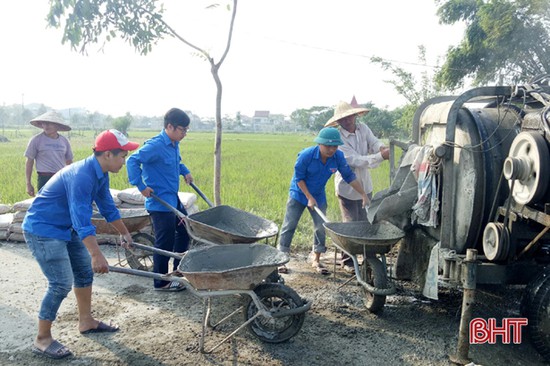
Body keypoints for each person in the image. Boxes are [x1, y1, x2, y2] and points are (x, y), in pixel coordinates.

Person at [22, 129, 139, 360]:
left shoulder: (100, 174)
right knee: (60, 283)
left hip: (65, 227)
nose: (124, 161)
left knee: (84, 273)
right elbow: (81, 219)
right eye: (122, 156)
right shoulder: (82, 175)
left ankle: (86, 321)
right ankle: (42, 338)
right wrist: (96, 254)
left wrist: (124, 233)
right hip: (43, 229)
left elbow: (107, 207)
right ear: (107, 154)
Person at [277, 127, 369, 275]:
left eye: (335, 146)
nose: (331, 150)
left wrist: (363, 194)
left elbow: (349, 176)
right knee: (290, 225)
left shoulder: (338, 157)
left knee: (320, 227)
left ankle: (316, 260)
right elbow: (299, 178)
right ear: (319, 144)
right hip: (299, 193)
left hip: (318, 195)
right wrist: (309, 197)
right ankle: (281, 260)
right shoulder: (306, 156)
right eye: (328, 146)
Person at [126, 107, 192, 292]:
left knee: (186, 231)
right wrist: (140, 186)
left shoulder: (173, 144)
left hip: (173, 200)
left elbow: (176, 162)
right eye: (182, 129)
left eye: (187, 130)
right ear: (170, 126)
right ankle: (161, 282)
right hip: (159, 203)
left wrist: (185, 171)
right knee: (164, 242)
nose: (185, 133)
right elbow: (132, 161)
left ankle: (178, 272)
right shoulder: (155, 146)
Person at [324, 100, 390, 273]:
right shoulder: (338, 138)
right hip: (347, 187)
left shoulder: (363, 129)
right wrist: (380, 157)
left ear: (355, 115)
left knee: (367, 222)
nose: (347, 121)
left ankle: (368, 258)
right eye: (343, 119)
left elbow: (374, 142)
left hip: (365, 186)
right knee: (350, 224)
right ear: (338, 122)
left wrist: (381, 148)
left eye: (349, 117)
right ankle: (347, 261)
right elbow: (354, 160)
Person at [25, 111, 74, 196]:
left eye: (49, 123)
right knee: (45, 205)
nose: (46, 126)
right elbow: (29, 162)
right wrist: (28, 184)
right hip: (44, 178)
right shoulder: (36, 140)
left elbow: (69, 162)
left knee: (61, 204)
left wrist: (72, 180)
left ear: (57, 126)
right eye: (44, 123)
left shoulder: (64, 141)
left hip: (60, 178)